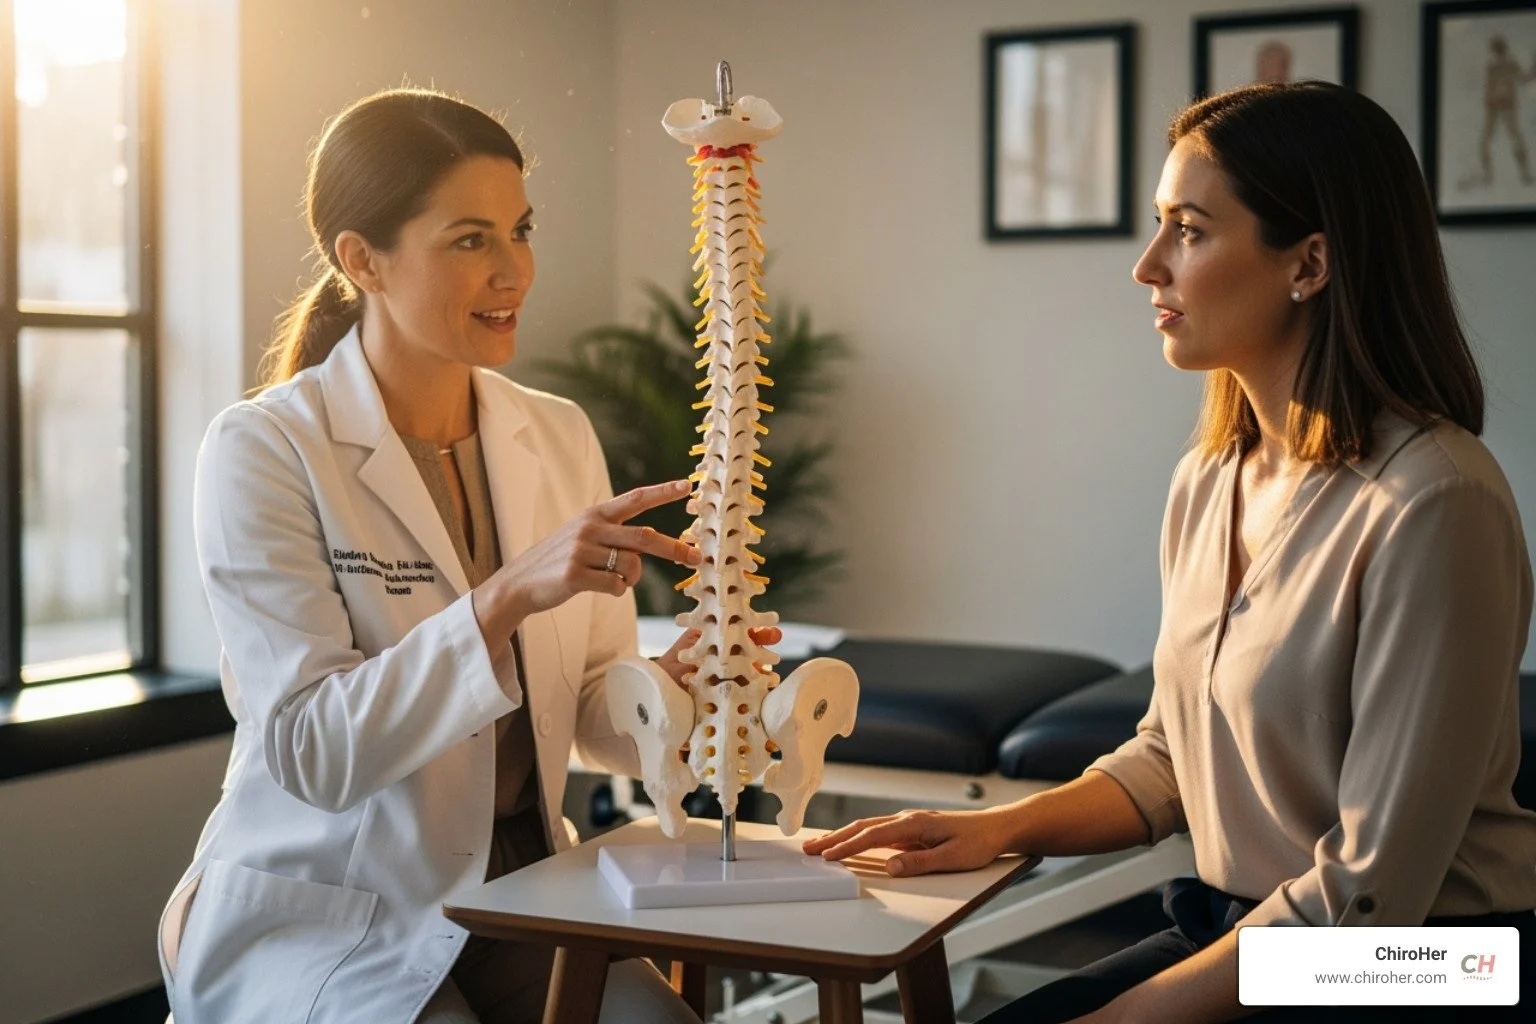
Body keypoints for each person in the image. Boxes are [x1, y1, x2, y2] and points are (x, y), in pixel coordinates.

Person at [807, 81, 1536, 1024]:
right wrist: (993, 828)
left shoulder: (1436, 501)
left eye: (1189, 230)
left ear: (1310, 262)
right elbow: (1170, 754)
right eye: (1160, 225)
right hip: (1243, 932)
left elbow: (1370, 895)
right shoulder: (1208, 479)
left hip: (1420, 963)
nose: (1148, 265)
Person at [155, 88, 768, 1024]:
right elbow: (313, 752)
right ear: (362, 259)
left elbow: (592, 712)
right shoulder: (264, 449)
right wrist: (505, 595)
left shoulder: (556, 434)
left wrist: (671, 692)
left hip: (521, 882)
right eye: (471, 240)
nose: (514, 270)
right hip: (335, 901)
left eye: (521, 231)